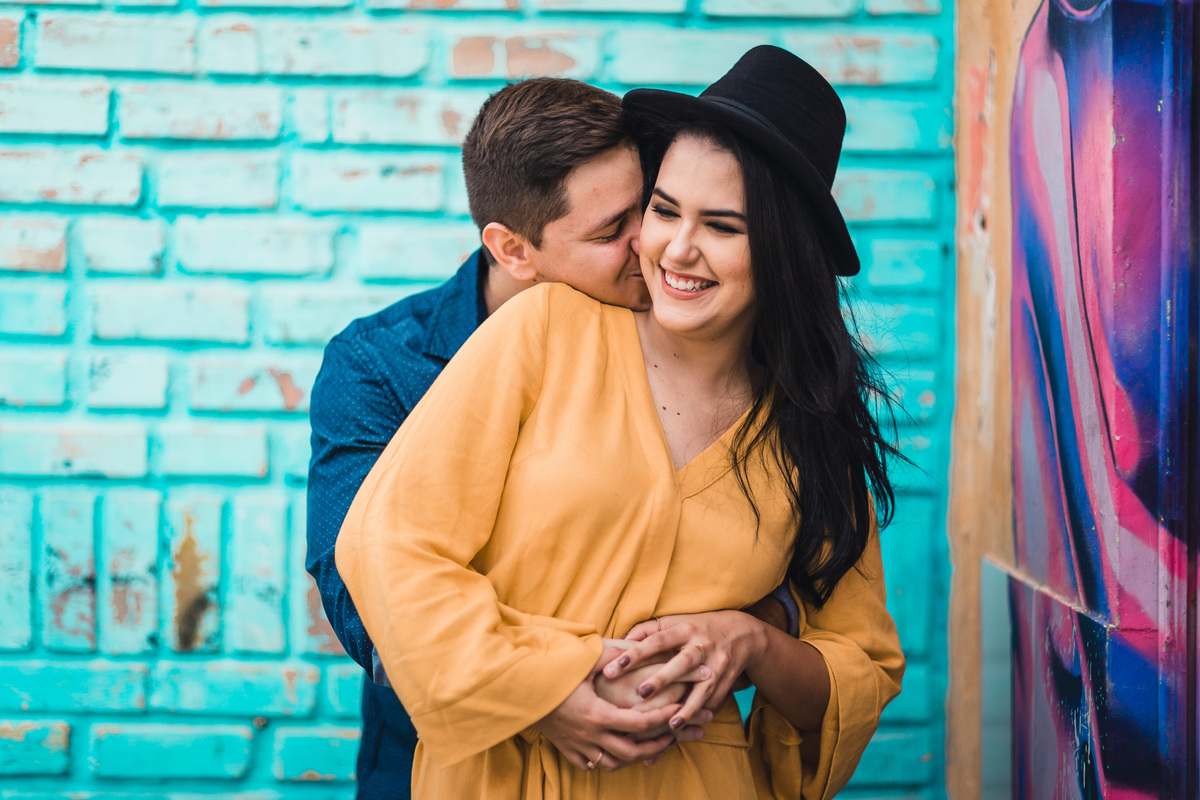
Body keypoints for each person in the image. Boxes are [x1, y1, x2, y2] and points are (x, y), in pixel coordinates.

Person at [335, 45, 904, 799]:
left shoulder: (808, 424)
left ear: (782, 250)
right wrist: (542, 691)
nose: (673, 246)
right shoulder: (543, 330)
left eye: (723, 226)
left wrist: (753, 646)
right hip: (502, 775)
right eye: (664, 210)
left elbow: (864, 664)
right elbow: (390, 546)